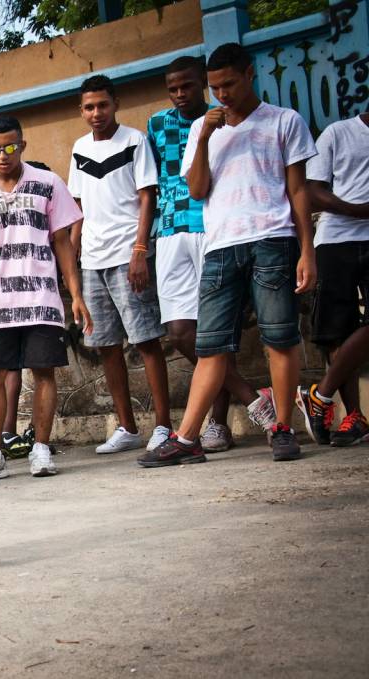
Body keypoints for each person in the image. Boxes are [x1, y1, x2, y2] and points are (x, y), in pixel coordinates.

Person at [141, 42, 317, 466]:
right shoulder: (204, 127)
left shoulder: (283, 122)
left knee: (279, 336)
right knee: (210, 346)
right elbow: (198, 189)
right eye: (216, 87)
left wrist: (307, 250)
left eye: (229, 84)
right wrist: (203, 136)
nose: (222, 94)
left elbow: (298, 191)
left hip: (272, 238)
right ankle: (187, 439)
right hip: (220, 244)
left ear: (249, 74)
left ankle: (282, 428)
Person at [147, 58, 275, 453]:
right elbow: (150, 185)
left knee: (217, 332)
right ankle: (254, 396)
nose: (181, 94)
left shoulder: (223, 119)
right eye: (173, 88)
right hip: (169, 231)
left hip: (211, 228)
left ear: (204, 84)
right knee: (181, 332)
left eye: (187, 86)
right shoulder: (156, 125)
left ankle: (218, 424)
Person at [0, 115, 91, 482]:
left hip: (42, 297)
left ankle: (42, 449)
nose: (2, 155)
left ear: (23, 146)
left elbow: (62, 243)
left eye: (10, 147)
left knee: (44, 372)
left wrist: (75, 295)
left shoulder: (48, 184)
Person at [69, 75, 172, 455]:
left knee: (146, 340)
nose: (96, 113)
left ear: (115, 103)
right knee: (106, 346)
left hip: (128, 255)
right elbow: (76, 209)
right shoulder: (79, 148)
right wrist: (73, 263)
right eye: (89, 107)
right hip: (92, 261)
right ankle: (127, 427)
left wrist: (140, 250)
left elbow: (148, 198)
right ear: (81, 111)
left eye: (102, 105)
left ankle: (163, 425)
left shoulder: (134, 141)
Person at [296, 111, 369, 446]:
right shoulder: (338, 133)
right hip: (336, 240)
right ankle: (353, 417)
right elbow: (313, 191)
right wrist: (359, 210)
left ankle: (320, 395)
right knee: (336, 331)